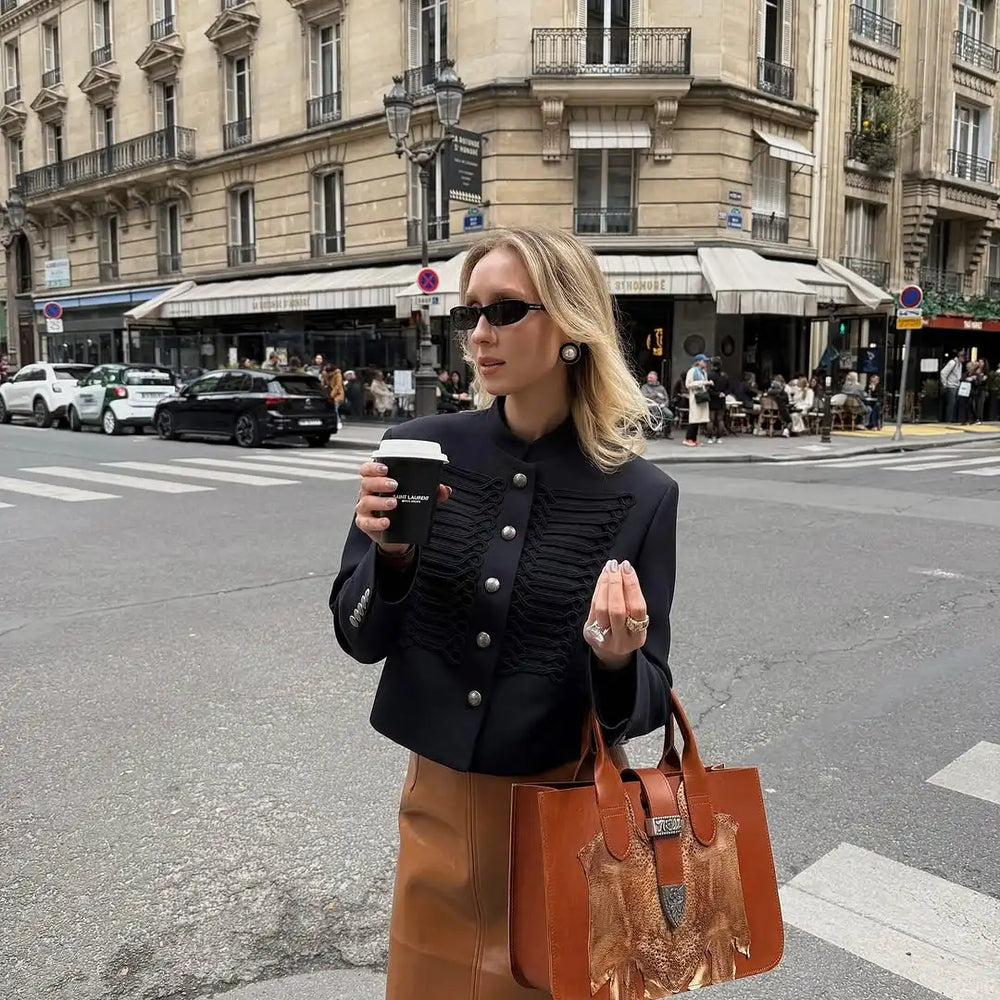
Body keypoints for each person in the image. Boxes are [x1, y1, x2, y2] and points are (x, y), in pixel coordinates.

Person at [329, 227, 678, 1000]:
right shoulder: (417, 451)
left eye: (506, 310)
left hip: (567, 820)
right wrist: (387, 559)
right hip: (439, 814)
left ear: (571, 329)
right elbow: (357, 636)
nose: (480, 334)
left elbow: (649, 692)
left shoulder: (642, 495)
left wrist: (618, 657)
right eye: (471, 313)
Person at [684, 353, 712, 446]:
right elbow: (688, 384)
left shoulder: (703, 372)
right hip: (695, 396)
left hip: (702, 396)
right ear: (698, 361)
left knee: (699, 419)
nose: (705, 363)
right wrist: (702, 383)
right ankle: (688, 438)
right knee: (694, 418)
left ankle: (695, 438)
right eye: (704, 361)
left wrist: (707, 383)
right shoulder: (692, 371)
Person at [639, 370, 673, 438]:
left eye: (651, 378)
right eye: (648, 378)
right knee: (652, 415)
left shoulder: (661, 388)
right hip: (650, 406)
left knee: (669, 414)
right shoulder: (645, 387)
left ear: (655, 378)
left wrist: (664, 404)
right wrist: (656, 395)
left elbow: (666, 399)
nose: (649, 379)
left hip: (661, 406)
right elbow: (644, 396)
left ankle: (667, 433)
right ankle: (652, 433)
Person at [706, 357, 731, 443]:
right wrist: (723, 394)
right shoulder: (725, 375)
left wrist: (716, 394)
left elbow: (708, 389)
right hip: (721, 399)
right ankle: (719, 437)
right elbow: (729, 388)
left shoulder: (709, 375)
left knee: (711, 419)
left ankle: (710, 437)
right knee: (720, 419)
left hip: (712, 399)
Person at [940, 351, 966, 423]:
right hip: (951, 385)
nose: (964, 360)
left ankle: (952, 419)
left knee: (954, 404)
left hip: (956, 385)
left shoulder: (960, 364)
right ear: (960, 357)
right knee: (951, 404)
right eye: (963, 358)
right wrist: (945, 384)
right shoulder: (952, 363)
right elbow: (943, 372)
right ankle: (948, 419)